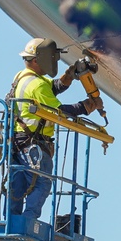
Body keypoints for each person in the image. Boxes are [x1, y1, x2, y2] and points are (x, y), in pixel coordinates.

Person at [8, 37, 103, 220]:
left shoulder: (23, 78)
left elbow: (50, 90)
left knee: (17, 188)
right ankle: (28, 223)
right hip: (33, 146)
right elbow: (59, 112)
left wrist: (69, 75)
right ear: (37, 60)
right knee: (42, 184)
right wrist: (88, 106)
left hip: (17, 145)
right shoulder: (37, 85)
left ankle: (13, 223)